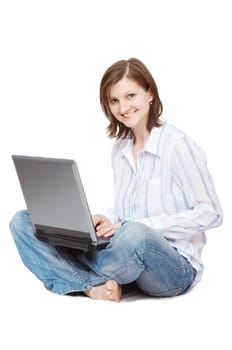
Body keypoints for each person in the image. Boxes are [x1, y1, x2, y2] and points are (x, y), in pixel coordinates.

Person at [9, 58, 223, 302]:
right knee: (23, 222)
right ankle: (94, 287)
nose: (123, 107)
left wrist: (140, 225)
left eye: (130, 95)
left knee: (135, 234)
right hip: (124, 252)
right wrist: (107, 219)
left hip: (174, 268)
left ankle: (71, 269)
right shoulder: (121, 148)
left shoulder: (177, 146)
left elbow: (212, 213)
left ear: (150, 94)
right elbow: (126, 210)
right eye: (114, 100)